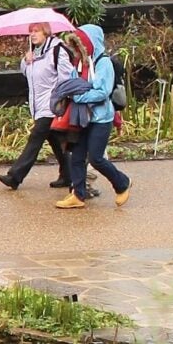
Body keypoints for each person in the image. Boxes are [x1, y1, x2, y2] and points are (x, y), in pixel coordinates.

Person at [57, 22, 131, 209]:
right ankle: (78, 195)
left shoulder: (103, 63)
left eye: (80, 44)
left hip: (101, 119)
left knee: (96, 158)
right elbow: (74, 83)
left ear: (90, 43)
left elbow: (103, 91)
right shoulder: (80, 62)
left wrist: (79, 96)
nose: (78, 48)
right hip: (83, 118)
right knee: (77, 157)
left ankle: (122, 183)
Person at [0, 22, 76, 191]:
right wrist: (26, 61)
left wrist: (59, 98)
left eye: (36, 31)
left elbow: (66, 77)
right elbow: (28, 74)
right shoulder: (34, 53)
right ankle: (68, 175)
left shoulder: (57, 50)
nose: (32, 35)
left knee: (36, 137)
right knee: (56, 140)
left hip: (51, 106)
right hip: (39, 105)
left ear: (46, 32)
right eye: (30, 31)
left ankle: (15, 176)